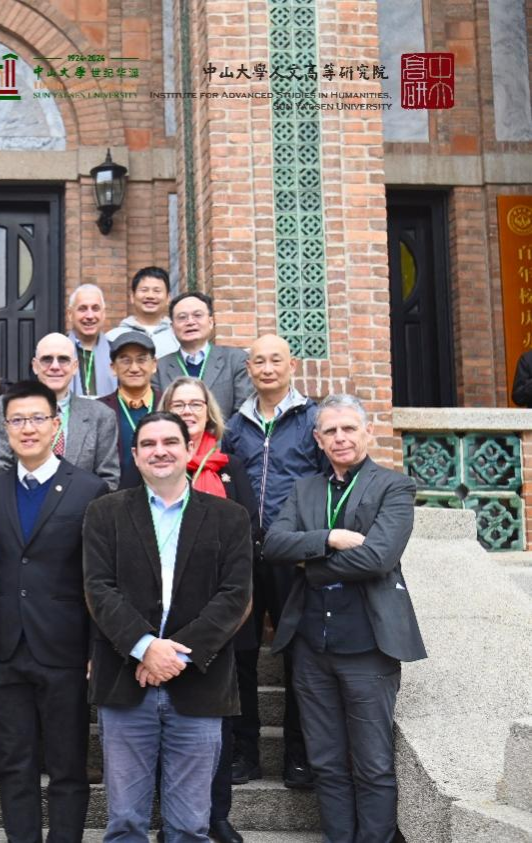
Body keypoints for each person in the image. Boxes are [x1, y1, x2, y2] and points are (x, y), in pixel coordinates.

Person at [263, 394, 427, 843]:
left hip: (368, 646)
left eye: (349, 428)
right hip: (310, 647)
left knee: (372, 765)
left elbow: (378, 558)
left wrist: (310, 563)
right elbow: (274, 544)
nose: (340, 437)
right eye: (330, 431)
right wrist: (331, 537)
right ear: (318, 439)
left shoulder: (394, 487)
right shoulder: (304, 489)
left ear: (367, 432)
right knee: (326, 763)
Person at [84, 411, 252, 843]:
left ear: (189, 448)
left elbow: (235, 595)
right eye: (149, 444)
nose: (160, 451)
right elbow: (98, 589)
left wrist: (173, 653)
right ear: (135, 455)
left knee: (191, 827)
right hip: (125, 682)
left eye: (170, 442)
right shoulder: (104, 513)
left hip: (199, 685)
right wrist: (145, 646)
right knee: (125, 823)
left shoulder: (229, 517)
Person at [0, 380, 106, 843]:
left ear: (55, 424)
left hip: (66, 647)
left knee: (67, 763)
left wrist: (96, 647)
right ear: (6, 428)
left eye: (36, 419)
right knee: (13, 762)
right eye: (17, 420)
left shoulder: (89, 488)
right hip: (5, 646)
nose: (27, 428)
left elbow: (97, 575)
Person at [223, 334, 329, 791]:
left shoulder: (312, 420)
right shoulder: (235, 424)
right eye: (259, 361)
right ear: (248, 368)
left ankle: (299, 757)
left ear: (292, 365)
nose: (267, 368)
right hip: (246, 553)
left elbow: (326, 480)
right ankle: (244, 753)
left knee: (298, 657)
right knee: (241, 656)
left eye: (276, 360)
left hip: (294, 554)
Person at [161, 376, 256, 843]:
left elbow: (250, 530)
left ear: (208, 411)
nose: (188, 411)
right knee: (164, 722)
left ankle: (217, 814)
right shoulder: (153, 462)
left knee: (217, 721)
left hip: (222, 613)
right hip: (165, 613)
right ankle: (170, 819)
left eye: (195, 404)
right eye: (178, 404)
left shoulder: (229, 465)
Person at [0, 332, 119, 489]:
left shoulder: (101, 415)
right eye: (47, 359)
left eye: (63, 359)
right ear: (35, 366)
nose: (55, 366)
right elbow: (0, 470)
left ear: (75, 367)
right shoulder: (5, 406)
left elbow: (108, 481)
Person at [153, 292, 252, 420]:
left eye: (197, 315)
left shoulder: (235, 360)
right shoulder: (159, 368)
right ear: (172, 328)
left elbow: (243, 412)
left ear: (210, 322)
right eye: (182, 317)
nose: (190, 322)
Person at [98, 331, 159, 489]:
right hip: (114, 497)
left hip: (164, 494)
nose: (134, 368)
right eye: (125, 361)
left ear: (154, 365)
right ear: (113, 368)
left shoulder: (168, 404)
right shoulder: (98, 410)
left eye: (141, 360)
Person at [106, 267, 181, 358]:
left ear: (168, 298)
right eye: (144, 290)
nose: (150, 296)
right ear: (132, 297)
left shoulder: (179, 336)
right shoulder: (112, 337)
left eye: (157, 291)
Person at [67, 283, 117, 398]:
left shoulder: (116, 352)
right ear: (70, 314)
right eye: (82, 309)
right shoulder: (56, 352)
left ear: (103, 314)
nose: (89, 316)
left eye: (95, 309)